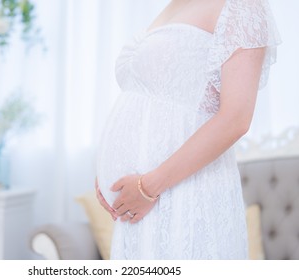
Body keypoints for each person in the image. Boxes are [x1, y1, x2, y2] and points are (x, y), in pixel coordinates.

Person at [95, 0, 281, 259]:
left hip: (180, 194)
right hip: (142, 206)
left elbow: (236, 119)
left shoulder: (242, 6)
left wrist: (147, 187)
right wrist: (109, 174)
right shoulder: (175, 4)